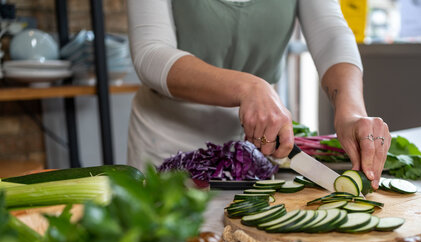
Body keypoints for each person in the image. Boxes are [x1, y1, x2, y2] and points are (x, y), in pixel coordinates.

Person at [126, 0, 391, 188]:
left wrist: (351, 112)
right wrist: (249, 87)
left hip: (257, 144)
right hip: (168, 139)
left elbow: (331, 34)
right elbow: (151, 52)